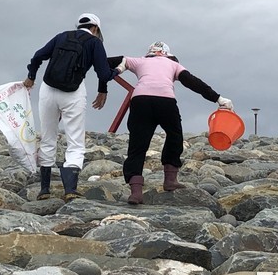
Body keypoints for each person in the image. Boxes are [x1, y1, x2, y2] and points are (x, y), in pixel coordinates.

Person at [98, 41, 234, 205]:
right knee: (174, 135)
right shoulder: (173, 65)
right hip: (166, 102)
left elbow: (102, 61)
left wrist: (105, 81)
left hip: (140, 101)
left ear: (150, 52)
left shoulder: (138, 61)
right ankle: (170, 180)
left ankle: (136, 192)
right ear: (168, 54)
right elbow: (193, 82)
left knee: (137, 144)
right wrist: (218, 99)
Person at [23, 13, 124, 201]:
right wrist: (117, 71)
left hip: (48, 89)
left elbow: (38, 56)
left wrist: (31, 76)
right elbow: (103, 73)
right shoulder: (95, 43)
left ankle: (44, 190)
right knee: (75, 140)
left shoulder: (62, 36)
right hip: (73, 92)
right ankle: (69, 189)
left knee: (48, 136)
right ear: (96, 28)